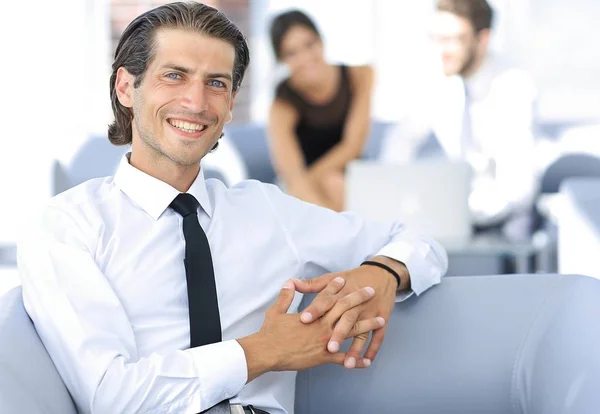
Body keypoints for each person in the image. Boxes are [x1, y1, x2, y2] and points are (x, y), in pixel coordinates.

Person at [17, 3, 447, 414]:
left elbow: (421, 241)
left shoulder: (266, 211)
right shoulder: (69, 226)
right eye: (174, 76)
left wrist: (385, 272)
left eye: (216, 83)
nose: (197, 102)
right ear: (126, 87)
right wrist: (265, 350)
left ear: (229, 105)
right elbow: (112, 396)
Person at [380, 0, 538, 242]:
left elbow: (517, 190)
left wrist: (457, 209)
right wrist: (400, 195)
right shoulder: (439, 80)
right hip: (452, 219)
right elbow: (401, 142)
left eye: (454, 39)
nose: (442, 49)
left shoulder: (513, 87)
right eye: (437, 38)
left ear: (482, 39)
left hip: (502, 228)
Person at [268, 10, 374, 212]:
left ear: (321, 41)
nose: (306, 57)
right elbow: (292, 175)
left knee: (334, 181)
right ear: (282, 60)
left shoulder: (360, 75)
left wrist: (314, 178)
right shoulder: (282, 104)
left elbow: (353, 146)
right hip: (302, 188)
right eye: (292, 53)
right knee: (332, 183)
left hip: (352, 176)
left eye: (310, 44)